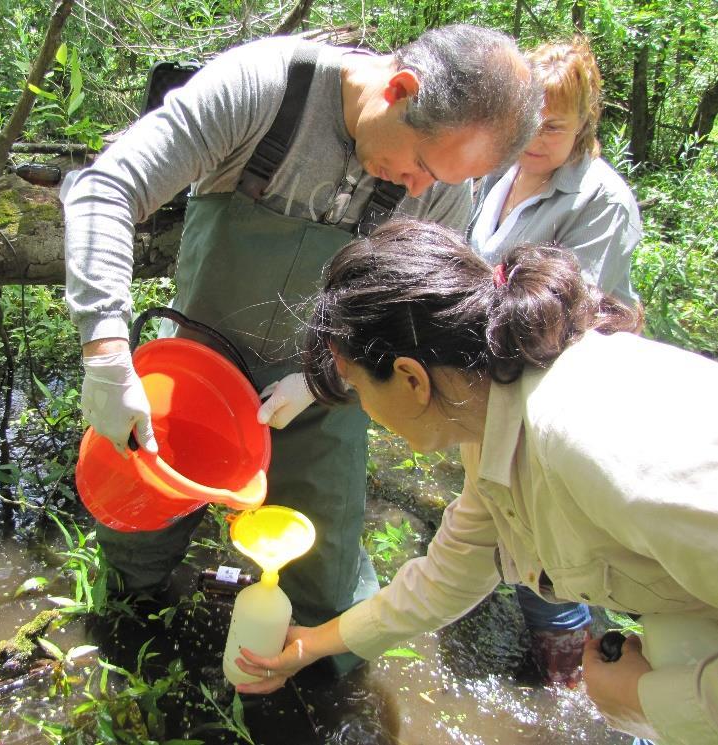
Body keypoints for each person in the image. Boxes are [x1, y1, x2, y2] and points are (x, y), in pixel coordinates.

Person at [62, 25, 541, 675]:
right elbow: (105, 188)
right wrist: (106, 356)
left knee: (323, 584)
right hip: (198, 375)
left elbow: (413, 319)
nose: (422, 190)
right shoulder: (261, 89)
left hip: (325, 392)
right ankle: (130, 647)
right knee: (135, 542)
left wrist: (319, 384)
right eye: (422, 166)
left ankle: (307, 690)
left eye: (443, 179)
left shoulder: (442, 190)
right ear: (399, 89)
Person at [235, 219, 718, 745]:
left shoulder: (588, 440)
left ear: (412, 378)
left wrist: (646, 701)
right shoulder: (489, 413)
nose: (368, 413)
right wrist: (308, 645)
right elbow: (449, 575)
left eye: (357, 389)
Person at [467, 37, 644, 686]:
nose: (536, 138)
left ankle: (572, 689)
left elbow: (575, 316)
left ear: (585, 123)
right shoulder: (499, 173)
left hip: (554, 400)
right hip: (497, 389)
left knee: (556, 553)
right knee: (510, 536)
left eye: (555, 126)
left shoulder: (600, 200)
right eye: (525, 123)